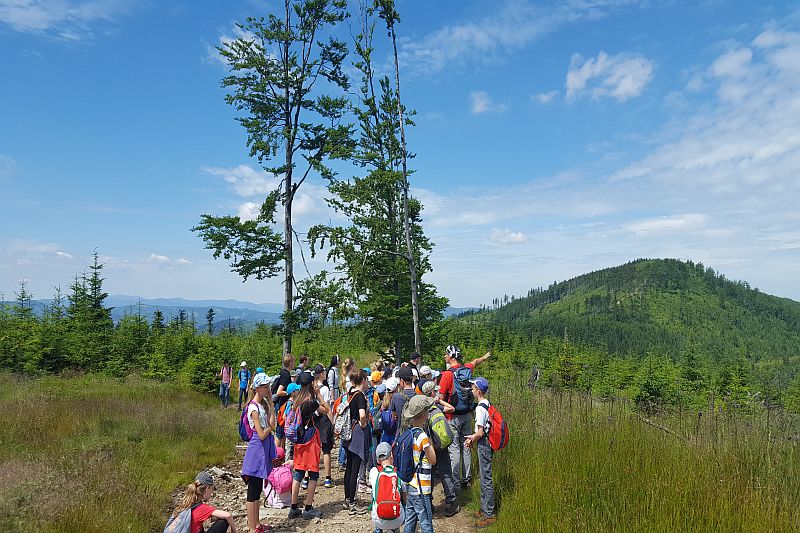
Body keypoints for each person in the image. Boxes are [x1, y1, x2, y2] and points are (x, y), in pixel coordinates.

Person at [439, 345, 491, 490]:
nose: (444, 357)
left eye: (446, 354)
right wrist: (485, 357)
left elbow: (441, 397)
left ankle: (455, 482)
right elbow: (475, 361)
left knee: (454, 449)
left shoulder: (447, 375)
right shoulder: (466, 369)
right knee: (466, 445)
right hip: (467, 414)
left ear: (451, 356)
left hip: (452, 416)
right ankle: (466, 479)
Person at [288, 370, 329, 520]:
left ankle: (293, 507)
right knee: (313, 473)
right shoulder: (310, 401)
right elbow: (326, 410)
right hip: (310, 440)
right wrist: (318, 396)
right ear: (310, 383)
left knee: (298, 473)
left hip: (298, 439)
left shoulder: (296, 399)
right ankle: (308, 507)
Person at [241, 373, 277, 533]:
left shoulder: (261, 406)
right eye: (265, 387)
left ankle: (256, 524)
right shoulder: (253, 408)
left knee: (257, 490)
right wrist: (270, 429)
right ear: (258, 388)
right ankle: (251, 527)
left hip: (262, 448)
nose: (268, 389)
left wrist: (271, 402)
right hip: (257, 449)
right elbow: (262, 433)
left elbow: (272, 422)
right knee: (253, 490)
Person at [421, 380, 459, 516]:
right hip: (441, 446)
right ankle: (451, 503)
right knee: (446, 473)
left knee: (429, 474)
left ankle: (428, 503)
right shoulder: (436, 407)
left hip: (428, 446)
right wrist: (439, 401)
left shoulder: (423, 408)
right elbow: (452, 409)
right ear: (433, 392)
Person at [401, 395, 437, 533]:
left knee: (410, 520)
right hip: (422, 487)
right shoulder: (422, 437)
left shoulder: (409, 433)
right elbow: (433, 460)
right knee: (426, 521)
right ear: (423, 415)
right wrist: (430, 444)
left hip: (411, 484)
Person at [464, 377, 496, 529]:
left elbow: (480, 432)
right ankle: (484, 509)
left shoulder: (480, 408)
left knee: (486, 478)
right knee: (484, 476)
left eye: (473, 387)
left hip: (484, 445)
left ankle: (489, 514)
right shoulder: (487, 403)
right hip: (488, 444)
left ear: (478, 390)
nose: (471, 389)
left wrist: (471, 439)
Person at [168, 471, 239, 533]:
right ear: (207, 489)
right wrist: (234, 530)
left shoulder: (185, 505)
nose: (212, 493)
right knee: (224, 521)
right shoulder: (202, 508)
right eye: (212, 490)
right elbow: (228, 515)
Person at [343, 369, 370, 515]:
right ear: (363, 380)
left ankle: (347, 498)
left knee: (349, 468)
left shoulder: (350, 394)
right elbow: (362, 414)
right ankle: (352, 502)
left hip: (348, 433)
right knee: (355, 468)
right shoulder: (359, 396)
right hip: (357, 434)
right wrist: (364, 424)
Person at [369, 441, 405, 533]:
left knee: (374, 492)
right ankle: (394, 529)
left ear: (378, 460)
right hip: (398, 518)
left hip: (378, 519)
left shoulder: (374, 471)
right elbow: (405, 497)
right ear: (391, 456)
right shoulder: (398, 472)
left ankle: (378, 529)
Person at [313, 364, 335, 488]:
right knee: (326, 450)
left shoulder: (312, 387)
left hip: (314, 419)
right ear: (321, 374)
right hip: (324, 420)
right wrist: (333, 422)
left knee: (313, 449)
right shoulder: (325, 389)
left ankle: (307, 478)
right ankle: (327, 478)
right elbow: (327, 408)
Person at [272, 354, 295, 449]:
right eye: (293, 361)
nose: (294, 363)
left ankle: (280, 452)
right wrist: (289, 392)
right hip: (282, 405)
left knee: (283, 430)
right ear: (290, 363)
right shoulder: (286, 375)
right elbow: (279, 391)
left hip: (282, 405)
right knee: (280, 431)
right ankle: (274, 455)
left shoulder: (283, 372)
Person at [391, 366, 417, 437]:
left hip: (402, 435)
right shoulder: (418, 397)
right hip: (417, 435)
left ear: (402, 381)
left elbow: (394, 417)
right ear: (412, 379)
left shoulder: (396, 397)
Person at [378, 377, 399, 445]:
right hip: (394, 437)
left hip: (385, 437)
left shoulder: (384, 403)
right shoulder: (397, 400)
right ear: (396, 388)